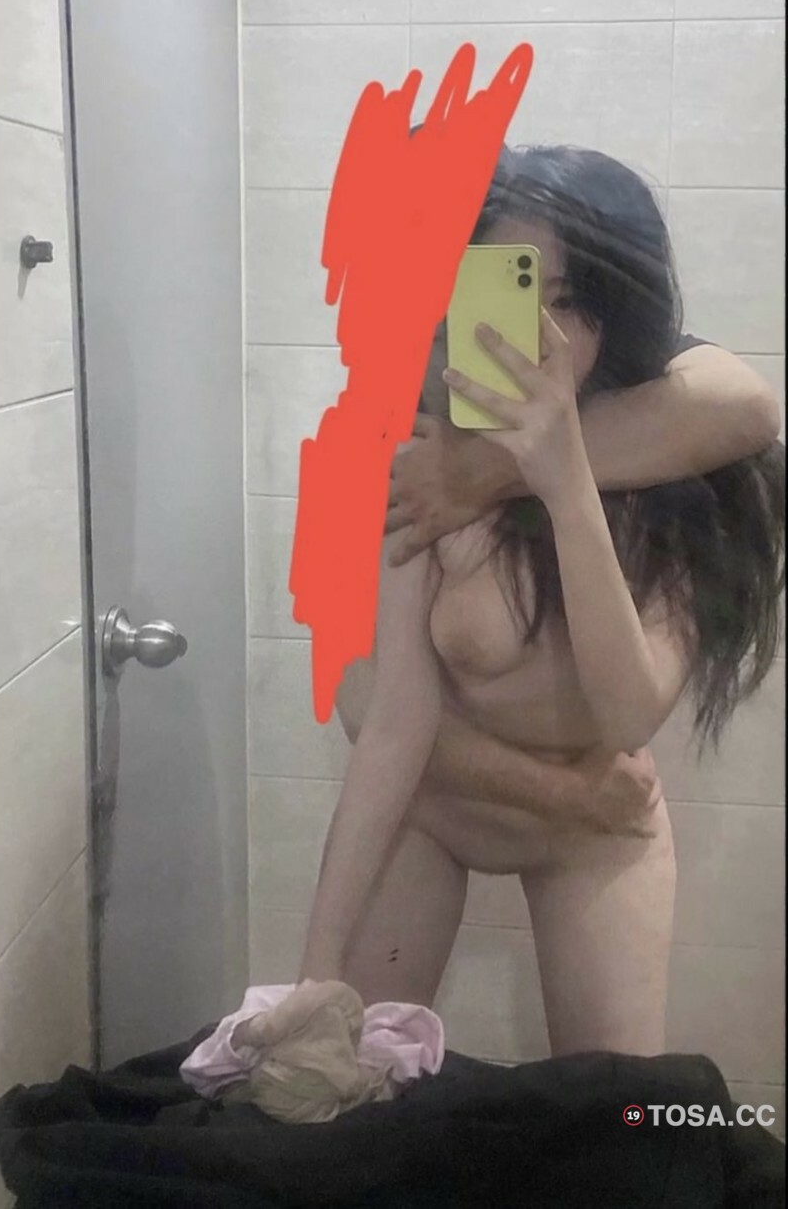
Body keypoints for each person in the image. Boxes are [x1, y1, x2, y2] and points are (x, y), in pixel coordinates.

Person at [298, 145, 785, 1058]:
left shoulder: (676, 473)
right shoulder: (422, 455)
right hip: (441, 807)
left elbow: (630, 712)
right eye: (514, 290)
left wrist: (560, 478)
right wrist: (314, 968)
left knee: (616, 1112)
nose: (541, 334)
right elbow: (386, 717)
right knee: (353, 1080)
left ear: (620, 308)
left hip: (598, 831)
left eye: (568, 299)